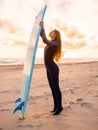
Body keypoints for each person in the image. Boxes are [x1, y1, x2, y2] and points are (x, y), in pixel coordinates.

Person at [39, 21, 63, 115]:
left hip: (53, 68)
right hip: (48, 68)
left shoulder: (56, 43)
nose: (51, 31)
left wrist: (43, 27)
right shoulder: (50, 43)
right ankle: (56, 106)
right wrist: (39, 26)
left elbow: (45, 39)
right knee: (52, 87)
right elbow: (43, 37)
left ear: (56, 35)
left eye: (53, 31)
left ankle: (60, 107)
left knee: (56, 87)